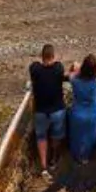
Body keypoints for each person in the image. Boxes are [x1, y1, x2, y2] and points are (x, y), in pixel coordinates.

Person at [28, 44, 68, 175]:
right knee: (56, 136)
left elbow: (35, 66)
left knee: (41, 137)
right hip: (57, 110)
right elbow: (61, 70)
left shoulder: (35, 69)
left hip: (40, 111)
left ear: (42, 56)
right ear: (53, 56)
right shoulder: (58, 68)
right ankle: (54, 159)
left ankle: (44, 165)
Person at [68, 55, 96, 163]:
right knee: (91, 136)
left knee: (77, 136)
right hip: (93, 113)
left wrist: (77, 67)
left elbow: (70, 73)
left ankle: (77, 156)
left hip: (78, 113)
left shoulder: (74, 80)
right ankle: (86, 157)